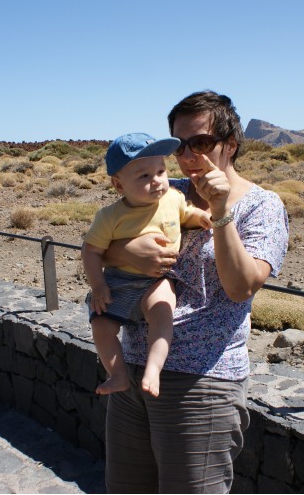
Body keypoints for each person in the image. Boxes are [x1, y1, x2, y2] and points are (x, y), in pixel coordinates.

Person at [102, 91, 289, 493]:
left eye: (201, 142)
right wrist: (126, 251)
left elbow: (240, 287)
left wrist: (220, 211)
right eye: (180, 145)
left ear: (230, 144)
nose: (188, 156)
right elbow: (100, 245)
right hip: (133, 369)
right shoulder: (163, 189)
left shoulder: (262, 206)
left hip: (201, 381)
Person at [82, 132, 212, 399]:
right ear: (119, 185)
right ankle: (118, 374)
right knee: (101, 326)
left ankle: (153, 369)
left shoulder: (173, 198)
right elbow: (91, 251)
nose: (156, 181)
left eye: (161, 171)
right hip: (118, 280)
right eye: (144, 176)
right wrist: (98, 285)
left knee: (162, 312)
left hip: (157, 279)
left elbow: (187, 214)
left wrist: (202, 217)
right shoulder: (110, 216)